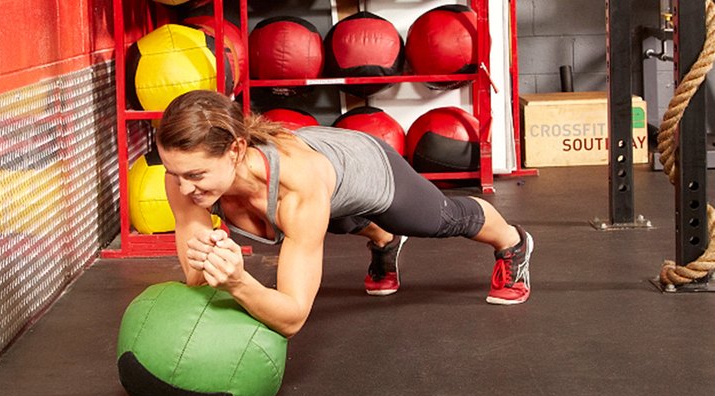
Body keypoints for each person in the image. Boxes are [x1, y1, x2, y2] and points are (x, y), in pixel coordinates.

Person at [156, 90, 534, 338]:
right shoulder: (183, 180)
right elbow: (195, 278)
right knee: (330, 220)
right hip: (318, 165)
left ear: (236, 150)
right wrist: (207, 262)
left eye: (196, 175)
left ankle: (513, 242)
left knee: (438, 219)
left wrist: (238, 282)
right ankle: (383, 239)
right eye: (175, 174)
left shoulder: (299, 188)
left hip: (362, 164)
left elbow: (292, 317)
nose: (184, 189)